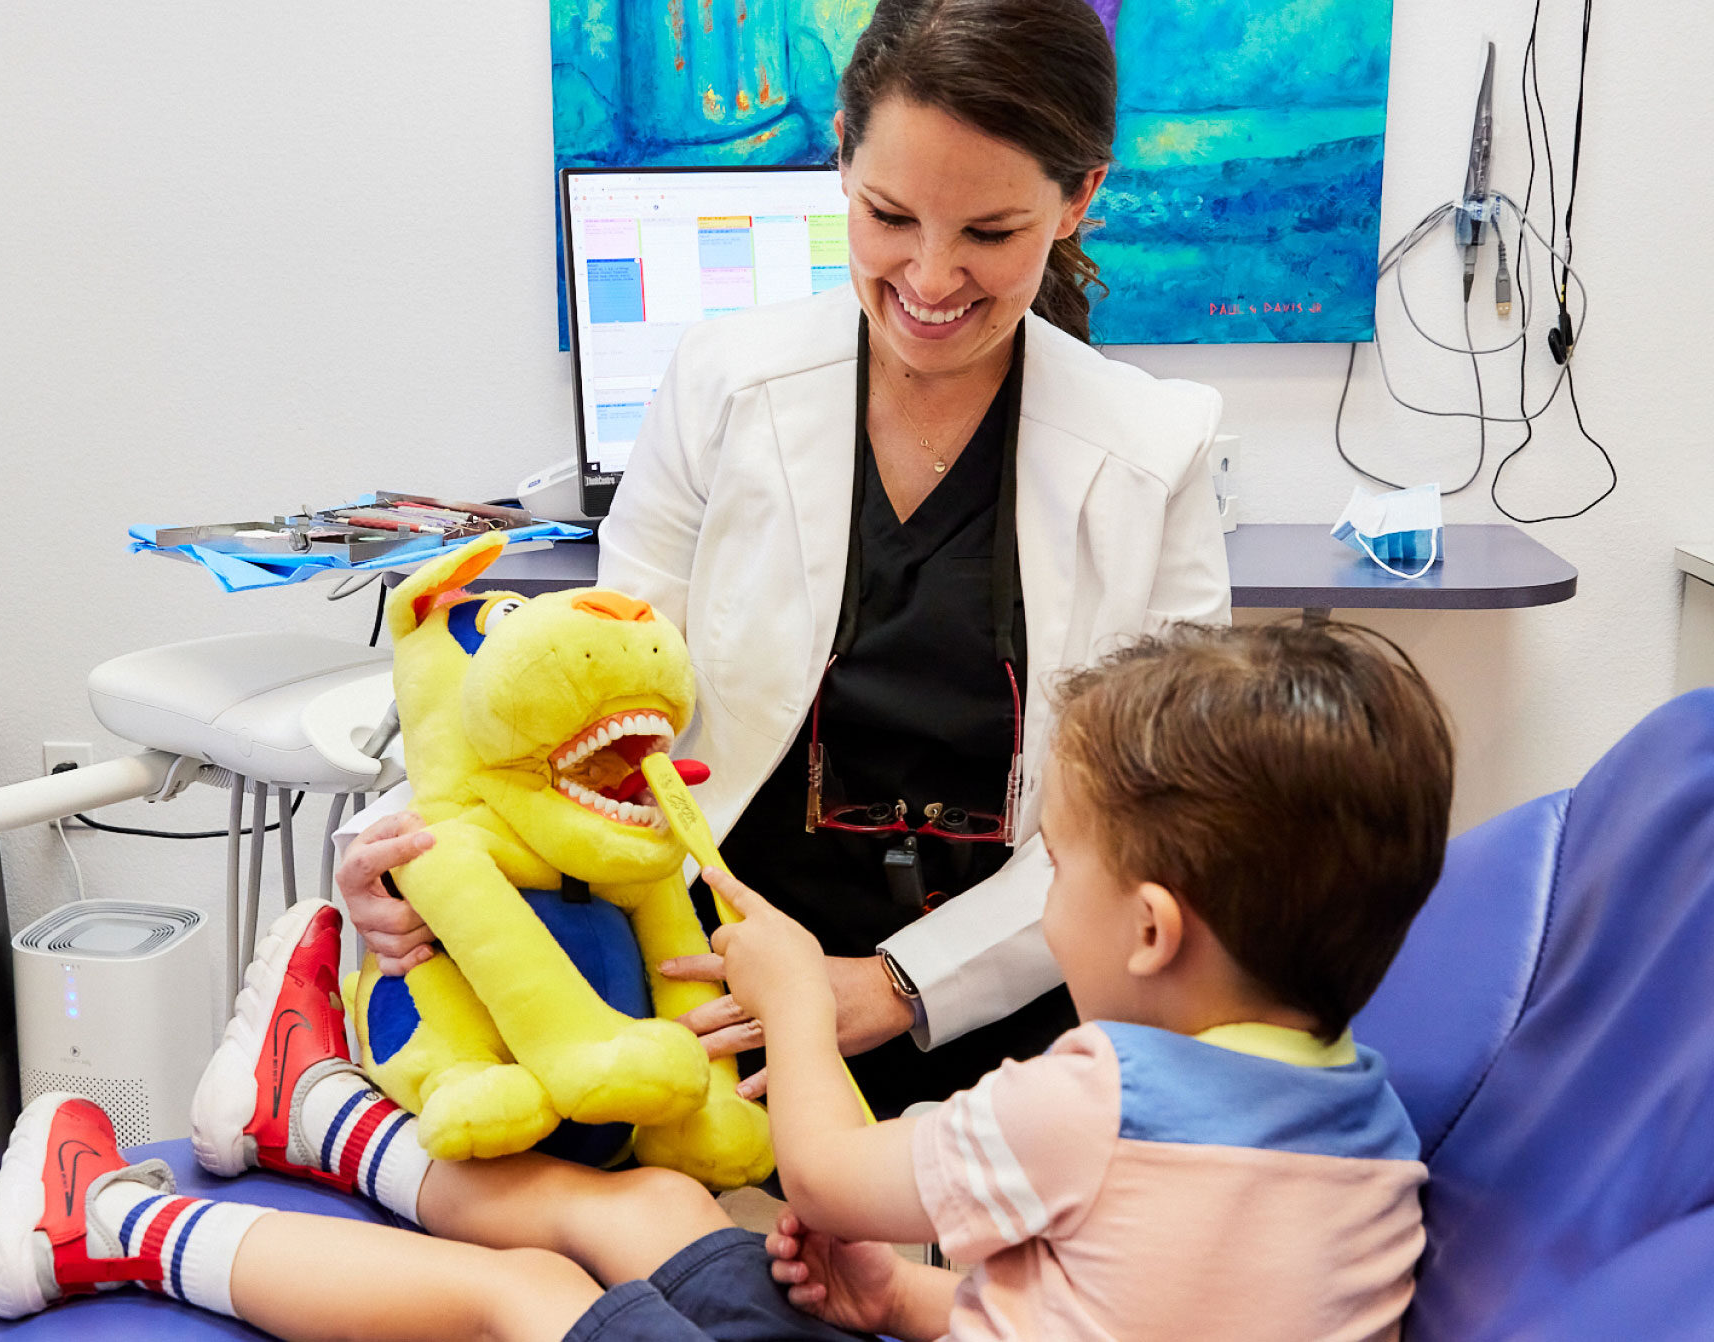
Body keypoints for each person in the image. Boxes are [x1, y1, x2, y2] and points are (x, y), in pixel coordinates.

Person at [0, 618, 1452, 1340]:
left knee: (534, 1298)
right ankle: (321, 1118)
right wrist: (900, 1304)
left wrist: (801, 997)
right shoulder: (1370, 1133)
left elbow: (823, 1168)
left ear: (1146, 928)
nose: (1039, 885)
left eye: (1054, 858)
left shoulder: (1100, 1098)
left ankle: (114, 1225)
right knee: (672, 1205)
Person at [342, 0, 1232, 1121]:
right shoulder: (725, 388)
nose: (932, 275)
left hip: (1004, 1011)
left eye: (990, 234)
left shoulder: (1156, 452)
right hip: (714, 982)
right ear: (841, 160)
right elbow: (582, 691)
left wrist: (896, 988)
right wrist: (398, 853)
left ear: (1078, 200)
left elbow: (1148, 820)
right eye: (890, 215)